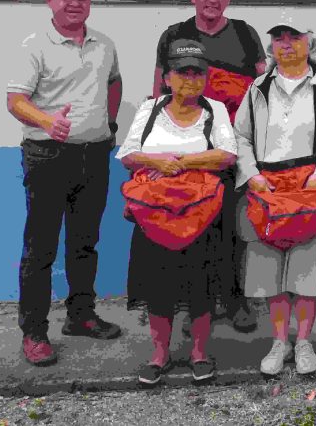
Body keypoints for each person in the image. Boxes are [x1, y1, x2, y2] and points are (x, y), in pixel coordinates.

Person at [6, 0, 122, 367]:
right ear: (50, 0)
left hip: (95, 154)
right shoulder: (33, 45)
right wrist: (46, 121)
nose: (75, 3)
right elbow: (15, 101)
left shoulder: (104, 44)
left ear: (90, 1)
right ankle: (34, 331)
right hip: (48, 157)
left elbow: (114, 81)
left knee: (85, 243)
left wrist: (110, 124)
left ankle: (81, 316)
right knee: (40, 249)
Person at [233, 19, 316, 376]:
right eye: (279, 38)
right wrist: (252, 175)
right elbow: (241, 136)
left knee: (306, 275)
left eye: (294, 37)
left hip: (311, 191)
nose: (286, 44)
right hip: (267, 193)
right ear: (271, 46)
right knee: (272, 276)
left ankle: (303, 342)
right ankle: (278, 343)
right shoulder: (258, 88)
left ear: (309, 42)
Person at [118, 39, 238, 385]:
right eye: (182, 73)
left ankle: (199, 354)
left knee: (201, 285)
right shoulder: (150, 109)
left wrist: (178, 163)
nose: (190, 80)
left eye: (197, 73)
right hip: (154, 215)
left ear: (206, 77)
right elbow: (128, 154)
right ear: (167, 77)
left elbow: (227, 154)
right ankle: (160, 355)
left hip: (200, 215)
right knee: (158, 286)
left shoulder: (214, 110)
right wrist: (155, 161)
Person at [153, 0, 266, 332]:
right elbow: (159, 93)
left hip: (234, 149)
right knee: (191, 226)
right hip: (187, 149)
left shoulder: (246, 35)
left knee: (233, 229)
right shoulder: (174, 36)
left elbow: (263, 93)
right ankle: (195, 305)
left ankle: (235, 302)